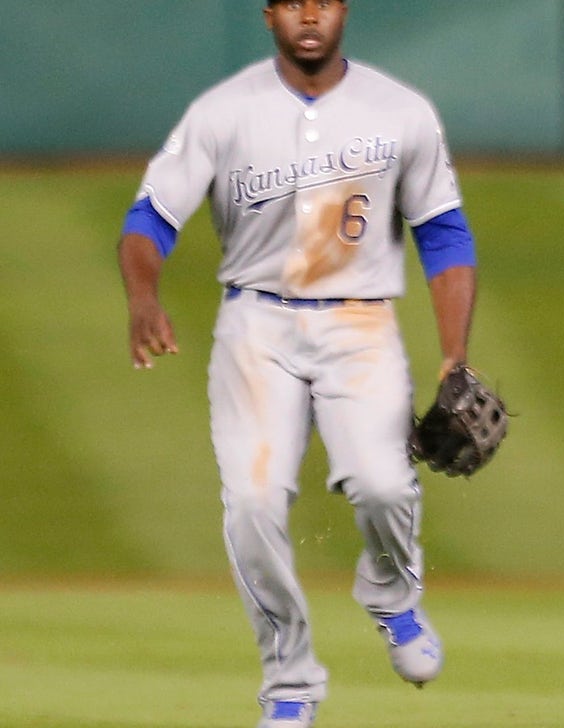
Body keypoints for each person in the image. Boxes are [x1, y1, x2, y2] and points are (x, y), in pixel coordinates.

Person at [116, 1, 480, 726]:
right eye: (293, 1)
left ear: (343, 10)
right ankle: (289, 683)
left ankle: (392, 592)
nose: (309, 14)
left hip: (361, 323)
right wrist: (143, 297)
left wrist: (453, 357)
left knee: (383, 486)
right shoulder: (224, 112)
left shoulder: (399, 110)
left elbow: (443, 233)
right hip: (256, 326)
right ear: (269, 14)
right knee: (251, 504)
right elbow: (149, 218)